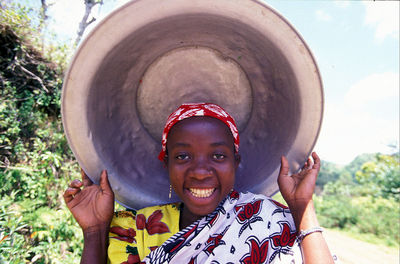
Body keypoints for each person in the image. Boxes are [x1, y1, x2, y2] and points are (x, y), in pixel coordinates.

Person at [64, 103, 335, 264]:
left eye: (218, 155)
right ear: (166, 163)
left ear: (235, 162)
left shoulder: (268, 219)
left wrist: (302, 209)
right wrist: (95, 231)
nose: (200, 171)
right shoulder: (136, 229)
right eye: (183, 156)